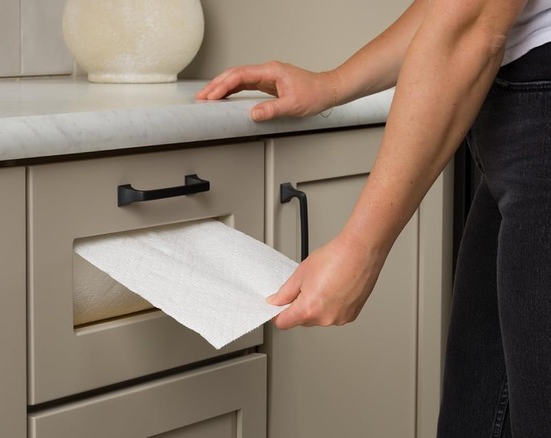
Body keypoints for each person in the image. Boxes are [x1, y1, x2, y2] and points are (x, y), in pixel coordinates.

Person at [197, 0, 551, 436]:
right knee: (475, 417)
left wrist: (360, 248)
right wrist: (331, 85)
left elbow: (471, 18)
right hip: (518, 138)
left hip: (538, 132)